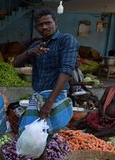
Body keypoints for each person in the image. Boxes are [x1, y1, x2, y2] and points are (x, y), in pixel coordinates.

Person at [13, 9, 78, 159]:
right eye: (40, 24)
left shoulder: (66, 40)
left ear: (55, 23)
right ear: (36, 27)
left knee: (41, 137)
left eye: (48, 23)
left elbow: (66, 71)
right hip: (38, 96)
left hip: (55, 96)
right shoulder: (37, 44)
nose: (44, 27)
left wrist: (49, 102)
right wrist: (30, 52)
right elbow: (15, 63)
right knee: (34, 137)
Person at [77, 72, 115, 138]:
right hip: (102, 115)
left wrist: (112, 118)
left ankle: (94, 136)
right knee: (89, 115)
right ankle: (76, 129)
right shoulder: (109, 89)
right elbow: (100, 103)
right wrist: (103, 114)